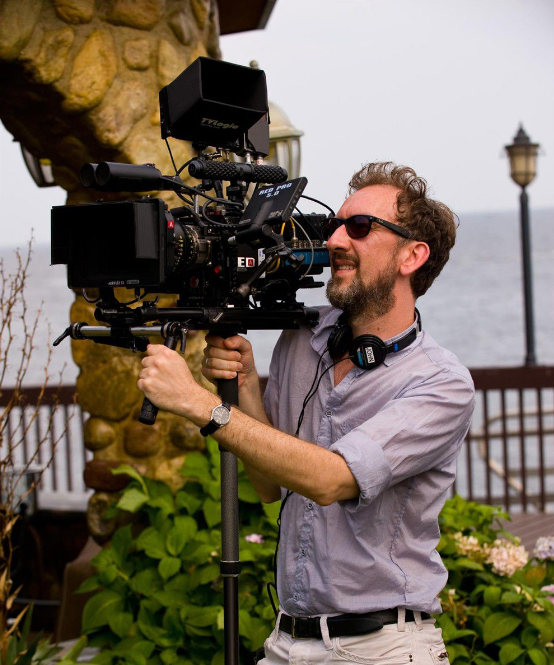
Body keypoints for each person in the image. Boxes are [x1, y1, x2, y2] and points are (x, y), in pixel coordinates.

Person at [138, 161, 475, 664]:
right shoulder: (303, 338)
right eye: (334, 225)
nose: (335, 239)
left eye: (359, 227)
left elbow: (330, 479)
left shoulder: (441, 383)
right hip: (288, 641)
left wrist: (197, 403)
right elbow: (270, 486)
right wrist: (245, 387)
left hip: (383, 646)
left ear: (412, 255)